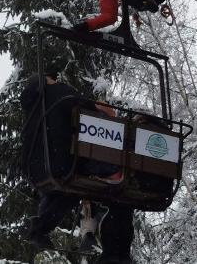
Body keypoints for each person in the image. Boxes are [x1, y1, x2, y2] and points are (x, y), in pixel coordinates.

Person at [20, 67, 135, 263]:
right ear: (47, 80)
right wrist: (103, 110)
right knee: (117, 189)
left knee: (65, 192)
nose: (56, 80)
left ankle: (40, 228)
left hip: (38, 167)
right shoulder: (60, 92)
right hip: (62, 163)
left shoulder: (34, 105)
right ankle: (114, 252)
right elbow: (89, 109)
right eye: (53, 78)